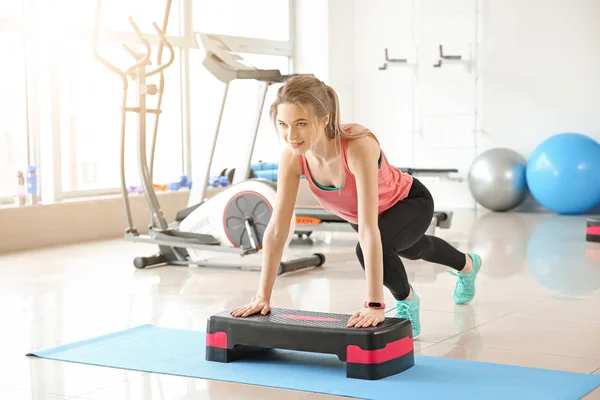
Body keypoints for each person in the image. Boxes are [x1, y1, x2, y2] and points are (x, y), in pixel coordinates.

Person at [230, 75, 482, 339]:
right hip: (365, 216)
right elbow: (277, 228)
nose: (291, 135)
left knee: (374, 248)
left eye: (301, 124)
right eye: (283, 124)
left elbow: (370, 229)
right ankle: (467, 265)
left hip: (409, 202)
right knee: (416, 247)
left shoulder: (357, 146)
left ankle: (406, 301)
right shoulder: (293, 157)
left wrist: (375, 304)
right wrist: (262, 296)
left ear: (325, 119)